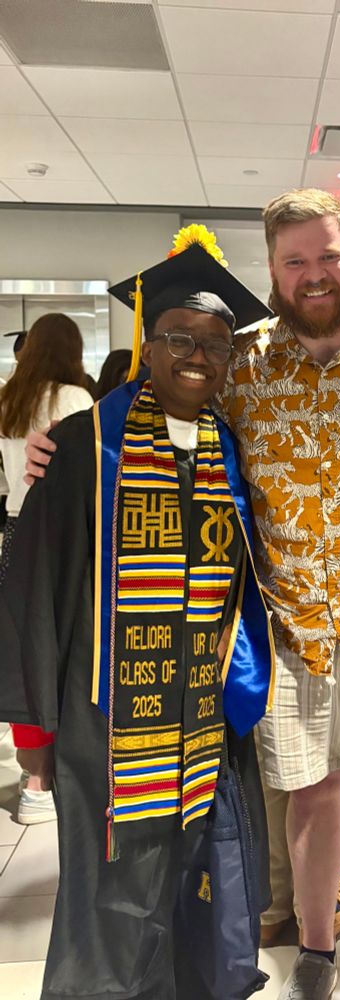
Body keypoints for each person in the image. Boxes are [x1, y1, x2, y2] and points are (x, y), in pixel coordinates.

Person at [24, 188, 340, 999]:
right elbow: (168, 422)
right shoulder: (246, 361)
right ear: (271, 268)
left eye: (328, 254)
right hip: (288, 626)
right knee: (312, 799)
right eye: (294, 260)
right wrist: (66, 452)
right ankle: (318, 948)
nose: (314, 273)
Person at [0, 228, 274, 1000]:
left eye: (217, 344)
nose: (198, 355)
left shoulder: (232, 448)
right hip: (104, 729)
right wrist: (34, 737)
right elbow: (35, 593)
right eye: (178, 337)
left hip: (206, 720)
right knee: (109, 902)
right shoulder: (85, 447)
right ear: (146, 347)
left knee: (196, 886)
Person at [0, 313, 94, 824]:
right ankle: (59, 774)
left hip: (15, 527)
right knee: (61, 650)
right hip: (60, 536)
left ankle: (32, 782)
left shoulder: (9, 399)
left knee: (23, 653)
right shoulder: (75, 400)